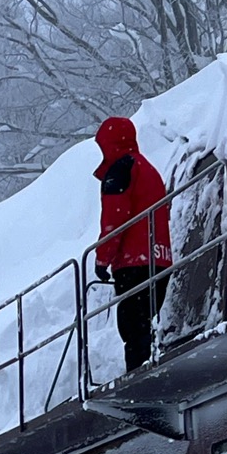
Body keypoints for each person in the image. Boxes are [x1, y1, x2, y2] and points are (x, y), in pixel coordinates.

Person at [93, 116, 173, 372]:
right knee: (145, 321)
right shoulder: (148, 169)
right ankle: (148, 367)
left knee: (132, 325)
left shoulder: (121, 169)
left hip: (134, 261)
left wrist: (102, 258)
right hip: (160, 258)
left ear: (110, 143)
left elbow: (114, 218)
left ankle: (138, 375)